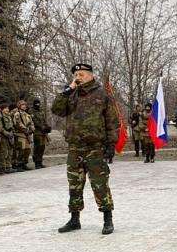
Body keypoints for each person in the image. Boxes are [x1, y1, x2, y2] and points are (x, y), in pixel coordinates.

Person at [52, 63, 119, 235]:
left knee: (99, 184)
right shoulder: (71, 94)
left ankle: (107, 220)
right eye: (76, 74)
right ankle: (74, 220)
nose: (77, 77)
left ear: (90, 75)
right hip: (75, 147)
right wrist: (67, 90)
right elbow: (56, 110)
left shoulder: (103, 94)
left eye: (81, 74)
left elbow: (112, 121)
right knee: (74, 185)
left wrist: (111, 144)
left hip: (95, 148)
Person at [14, 100, 34, 171]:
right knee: (21, 150)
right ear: (19, 106)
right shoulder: (17, 114)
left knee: (27, 150)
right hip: (20, 134)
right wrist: (25, 129)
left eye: (25, 105)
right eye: (22, 105)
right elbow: (18, 124)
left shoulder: (27, 115)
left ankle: (24, 164)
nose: (24, 106)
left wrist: (32, 129)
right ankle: (19, 165)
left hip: (27, 135)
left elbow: (31, 123)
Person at [31, 98, 52, 169]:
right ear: (34, 104)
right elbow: (35, 121)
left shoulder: (40, 112)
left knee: (42, 147)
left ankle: (40, 162)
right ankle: (36, 162)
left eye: (38, 103)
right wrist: (42, 127)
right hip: (37, 132)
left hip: (43, 133)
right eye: (36, 103)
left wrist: (47, 127)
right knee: (38, 147)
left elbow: (44, 120)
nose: (38, 105)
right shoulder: (32, 111)